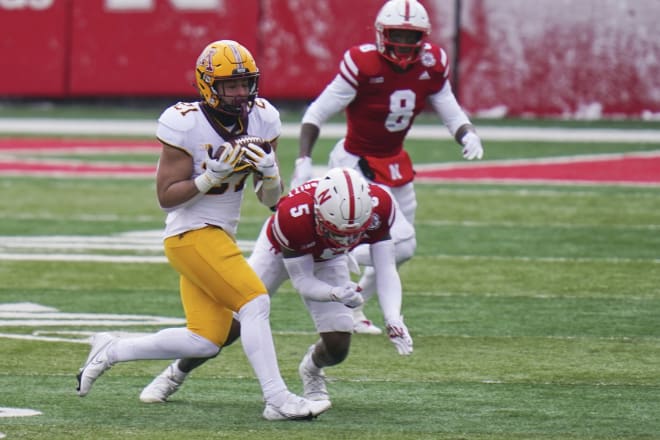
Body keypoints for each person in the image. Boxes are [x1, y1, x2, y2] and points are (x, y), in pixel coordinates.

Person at [75, 39, 331, 421]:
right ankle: (277, 399)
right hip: (189, 233)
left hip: (217, 235)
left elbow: (269, 199)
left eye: (246, 83)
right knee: (255, 301)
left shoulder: (263, 117)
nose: (241, 92)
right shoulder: (185, 122)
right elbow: (166, 196)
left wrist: (271, 173)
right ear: (209, 85)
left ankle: (112, 349)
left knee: (206, 339)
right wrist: (210, 176)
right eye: (231, 85)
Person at [289, 0, 485, 335]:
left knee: (401, 250)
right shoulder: (363, 64)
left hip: (395, 161)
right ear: (382, 34)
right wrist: (304, 159)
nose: (404, 44)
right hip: (357, 164)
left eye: (411, 37)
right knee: (401, 244)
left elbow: (449, 108)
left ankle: (355, 302)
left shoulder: (432, 63)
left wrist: (467, 133)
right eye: (398, 35)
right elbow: (316, 113)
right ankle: (336, 253)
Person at [139, 167, 413, 405]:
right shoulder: (293, 215)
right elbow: (303, 280)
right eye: (336, 230)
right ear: (319, 212)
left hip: (329, 259)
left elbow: (386, 267)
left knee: (338, 346)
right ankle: (177, 372)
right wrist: (334, 293)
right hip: (279, 251)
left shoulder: (381, 205)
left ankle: (312, 370)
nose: (345, 239)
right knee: (231, 326)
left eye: (353, 233)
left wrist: (393, 319)